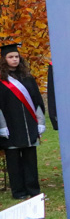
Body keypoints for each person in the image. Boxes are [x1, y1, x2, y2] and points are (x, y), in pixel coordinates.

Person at [0, 43, 46, 199]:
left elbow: (37, 101)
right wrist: (2, 126)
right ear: (4, 59)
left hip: (29, 125)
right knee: (13, 161)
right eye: (10, 57)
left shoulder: (27, 78)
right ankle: (18, 191)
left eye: (16, 57)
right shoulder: (1, 81)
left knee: (30, 160)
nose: (14, 60)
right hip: (10, 126)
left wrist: (40, 122)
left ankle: (33, 190)